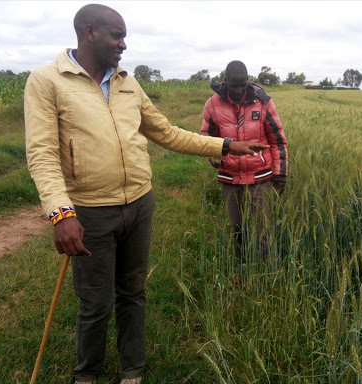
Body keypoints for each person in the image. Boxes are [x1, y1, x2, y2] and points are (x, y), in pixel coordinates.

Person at [24, 5, 268, 384]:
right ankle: (87, 374)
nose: (124, 43)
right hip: (91, 211)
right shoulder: (47, 81)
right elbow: (42, 153)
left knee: (133, 291)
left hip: (140, 204)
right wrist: (61, 213)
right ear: (89, 32)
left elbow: (166, 132)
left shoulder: (127, 82)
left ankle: (132, 370)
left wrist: (223, 145)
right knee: (95, 302)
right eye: (116, 35)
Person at [200, 61, 288, 263]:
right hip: (230, 178)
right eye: (234, 85)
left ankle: (264, 271)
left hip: (260, 178)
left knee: (262, 229)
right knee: (237, 229)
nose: (239, 90)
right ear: (225, 82)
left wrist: (281, 174)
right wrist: (214, 157)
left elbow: (277, 139)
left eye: (242, 84)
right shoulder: (212, 105)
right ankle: (241, 269)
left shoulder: (263, 102)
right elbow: (207, 138)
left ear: (248, 80)